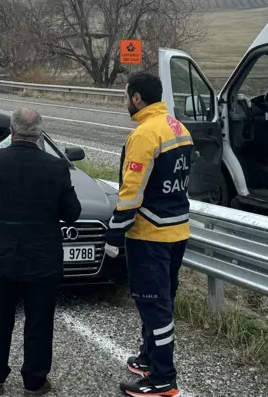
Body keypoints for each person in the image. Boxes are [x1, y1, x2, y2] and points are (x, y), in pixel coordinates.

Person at [0, 107, 82, 396]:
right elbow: (72, 213)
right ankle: (35, 381)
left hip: (0, 254)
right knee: (40, 321)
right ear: (39, 132)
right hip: (42, 258)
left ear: (12, 130)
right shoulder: (56, 167)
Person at [106, 71, 192, 397]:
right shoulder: (177, 127)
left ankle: (161, 378)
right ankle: (147, 358)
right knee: (162, 301)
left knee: (153, 306)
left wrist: (114, 232)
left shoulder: (144, 135)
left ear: (138, 98)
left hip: (150, 234)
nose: (125, 102)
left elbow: (131, 191)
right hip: (178, 229)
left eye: (126, 96)